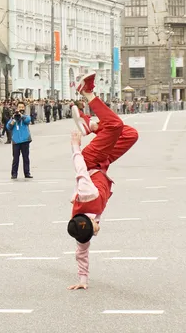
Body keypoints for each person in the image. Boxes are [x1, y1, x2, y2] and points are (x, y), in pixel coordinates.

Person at [66, 72, 139, 290]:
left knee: (115, 125)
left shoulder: (88, 196)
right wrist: (82, 281)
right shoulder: (81, 230)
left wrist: (75, 146)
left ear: (88, 222)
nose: (97, 230)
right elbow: (81, 253)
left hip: (90, 161)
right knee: (130, 134)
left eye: (94, 228)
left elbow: (80, 170)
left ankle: (87, 92)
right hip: (103, 164)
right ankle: (93, 126)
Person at [6, 101, 33, 179]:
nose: (21, 108)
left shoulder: (26, 116)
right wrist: (13, 120)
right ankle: (14, 174)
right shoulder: (13, 117)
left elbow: (28, 121)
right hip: (16, 140)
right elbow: (8, 127)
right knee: (15, 158)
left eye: (22, 107)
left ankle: (27, 173)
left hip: (25, 140)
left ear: (24, 108)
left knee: (26, 158)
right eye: (19, 107)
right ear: (17, 108)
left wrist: (21, 116)